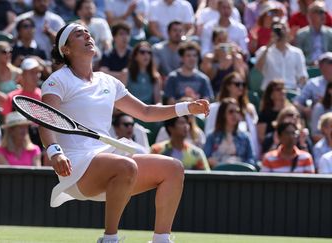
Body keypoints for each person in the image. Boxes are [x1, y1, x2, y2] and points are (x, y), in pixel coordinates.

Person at [39, 23, 209, 243]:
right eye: (78, 34)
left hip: (107, 160)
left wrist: (186, 108)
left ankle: (161, 240)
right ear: (66, 49)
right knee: (126, 165)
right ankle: (110, 239)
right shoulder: (57, 80)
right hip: (75, 165)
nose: (87, 35)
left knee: (173, 168)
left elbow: (145, 112)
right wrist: (55, 152)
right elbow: (46, 120)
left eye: (87, 32)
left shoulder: (108, 81)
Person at [204, 72, 259, 158]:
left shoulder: (249, 109)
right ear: (227, 86)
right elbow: (209, 130)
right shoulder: (214, 108)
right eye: (237, 84)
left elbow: (254, 137)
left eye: (243, 84)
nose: (241, 87)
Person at [255, 19, 308, 91]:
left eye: (283, 28)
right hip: (271, 92)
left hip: (291, 90)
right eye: (277, 29)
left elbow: (302, 76)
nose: (280, 32)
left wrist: (298, 90)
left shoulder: (297, 53)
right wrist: (268, 46)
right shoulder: (264, 51)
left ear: (288, 31)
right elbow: (258, 68)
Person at [203, 97, 255, 168]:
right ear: (223, 114)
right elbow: (205, 158)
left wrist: (240, 166)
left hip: (240, 175)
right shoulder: (212, 136)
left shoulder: (245, 137)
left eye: (237, 111)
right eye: (231, 111)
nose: (234, 115)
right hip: (218, 175)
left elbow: (251, 159)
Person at [200, 27, 247, 95]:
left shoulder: (236, 57)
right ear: (214, 42)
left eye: (224, 40)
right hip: (214, 93)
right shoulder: (208, 58)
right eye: (219, 40)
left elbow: (241, 78)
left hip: (233, 93)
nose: (222, 43)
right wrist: (218, 60)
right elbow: (208, 79)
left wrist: (235, 57)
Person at [294, 52, 332, 117]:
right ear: (320, 67)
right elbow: (297, 102)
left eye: (330, 64)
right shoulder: (313, 83)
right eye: (324, 65)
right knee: (318, 108)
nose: (327, 68)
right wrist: (305, 110)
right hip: (320, 119)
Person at [295, 1, 332, 66]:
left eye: (324, 12)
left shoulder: (330, 33)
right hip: (309, 69)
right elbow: (298, 57)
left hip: (328, 68)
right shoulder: (301, 34)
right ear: (310, 15)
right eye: (320, 12)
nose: (323, 15)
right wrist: (311, 62)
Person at [257, 79, 291, 144]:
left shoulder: (292, 112)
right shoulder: (264, 115)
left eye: (284, 89)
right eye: (278, 89)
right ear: (271, 95)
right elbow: (261, 137)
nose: (283, 91)